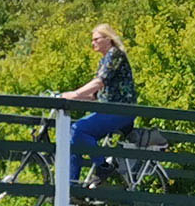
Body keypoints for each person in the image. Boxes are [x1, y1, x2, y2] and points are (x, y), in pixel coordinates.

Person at [57, 23, 140, 173]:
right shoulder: (104, 60)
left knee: (78, 129)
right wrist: (69, 97)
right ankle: (71, 184)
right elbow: (95, 94)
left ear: (108, 39)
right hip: (110, 110)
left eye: (96, 39)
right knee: (73, 140)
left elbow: (99, 82)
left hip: (121, 111)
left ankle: (103, 168)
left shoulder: (115, 54)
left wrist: (75, 94)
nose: (93, 42)